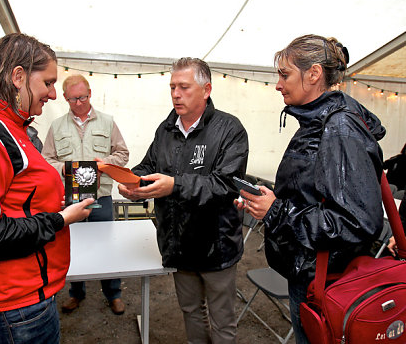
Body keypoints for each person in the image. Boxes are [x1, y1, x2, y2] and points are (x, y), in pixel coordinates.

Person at [0, 33, 93, 344]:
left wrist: (54, 202)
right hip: (7, 311)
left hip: (27, 302)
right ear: (18, 76)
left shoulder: (15, 129)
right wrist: (59, 219)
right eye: (48, 82)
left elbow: (16, 201)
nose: (53, 94)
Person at [236, 35, 385, 343]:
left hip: (325, 282)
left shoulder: (340, 127)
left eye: (285, 74)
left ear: (314, 74)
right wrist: (268, 202)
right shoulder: (320, 122)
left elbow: (356, 223)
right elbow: (314, 195)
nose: (278, 84)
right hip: (309, 275)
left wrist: (277, 212)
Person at [118, 57, 249, 343]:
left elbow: (226, 185)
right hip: (178, 241)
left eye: (184, 87)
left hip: (217, 245)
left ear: (206, 90)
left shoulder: (230, 129)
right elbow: (148, 167)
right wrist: (131, 182)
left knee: (222, 320)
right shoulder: (165, 129)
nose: (176, 93)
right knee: (191, 310)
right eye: (172, 87)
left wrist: (174, 186)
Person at [42, 74, 129, 315]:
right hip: (71, 200)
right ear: (65, 98)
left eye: (82, 97)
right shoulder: (57, 126)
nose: (78, 103)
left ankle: (113, 294)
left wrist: (105, 163)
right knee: (73, 247)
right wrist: (62, 168)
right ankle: (76, 293)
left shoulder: (107, 122)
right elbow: (45, 159)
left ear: (90, 93)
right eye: (72, 99)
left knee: (106, 247)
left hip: (101, 197)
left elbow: (122, 154)